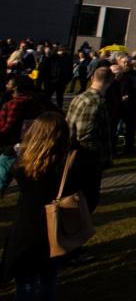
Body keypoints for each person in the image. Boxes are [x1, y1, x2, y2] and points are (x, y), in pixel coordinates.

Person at [1, 112, 94, 299]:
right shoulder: (75, 160)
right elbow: (91, 191)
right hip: (58, 224)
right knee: (48, 277)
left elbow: (5, 163)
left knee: (26, 281)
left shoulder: (22, 161)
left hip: (27, 225)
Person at [64, 66, 114, 212]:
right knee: (86, 199)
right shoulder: (94, 102)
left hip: (76, 153)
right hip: (86, 157)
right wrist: (99, 155)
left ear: (92, 78)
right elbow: (85, 135)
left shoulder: (81, 96)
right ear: (110, 81)